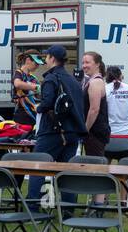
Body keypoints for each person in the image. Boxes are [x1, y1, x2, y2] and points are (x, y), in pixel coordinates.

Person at [27, 45, 86, 205]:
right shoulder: (74, 81)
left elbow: (47, 103)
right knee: (67, 172)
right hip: (72, 132)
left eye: (46, 57)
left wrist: (38, 107)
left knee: (37, 167)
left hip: (53, 131)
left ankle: (33, 208)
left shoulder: (50, 78)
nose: (45, 60)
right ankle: (68, 209)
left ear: (52, 58)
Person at [104, 66, 128, 152]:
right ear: (121, 75)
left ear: (107, 76)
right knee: (127, 164)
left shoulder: (104, 89)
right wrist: (127, 117)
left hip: (110, 133)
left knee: (105, 164)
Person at [79, 51, 110, 159]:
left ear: (97, 64)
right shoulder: (91, 81)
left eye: (87, 62)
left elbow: (94, 109)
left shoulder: (95, 82)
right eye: (83, 63)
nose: (84, 66)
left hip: (95, 132)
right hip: (94, 132)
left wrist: (85, 129)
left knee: (95, 167)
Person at [11, 53, 40, 126]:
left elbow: (38, 96)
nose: (37, 66)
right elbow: (17, 83)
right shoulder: (18, 73)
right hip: (21, 116)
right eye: (36, 63)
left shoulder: (33, 78)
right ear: (28, 60)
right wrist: (35, 87)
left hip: (34, 115)